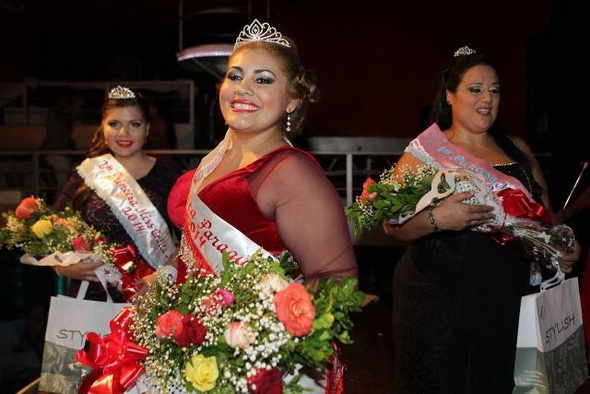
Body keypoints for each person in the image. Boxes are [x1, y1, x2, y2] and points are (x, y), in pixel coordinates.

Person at [138, 19, 358, 393]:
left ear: (293, 98)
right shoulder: (215, 160)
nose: (243, 88)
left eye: (263, 79)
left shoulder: (291, 173)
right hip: (194, 345)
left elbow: (336, 279)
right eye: (235, 76)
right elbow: (192, 251)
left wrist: (264, 339)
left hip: (255, 365)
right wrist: (163, 282)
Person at [382, 46, 581, 393]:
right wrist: (437, 218)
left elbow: (544, 214)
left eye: (495, 89)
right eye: (475, 89)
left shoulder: (516, 147)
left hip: (506, 299)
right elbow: (390, 226)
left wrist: (563, 242)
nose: (487, 98)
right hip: (436, 305)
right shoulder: (425, 154)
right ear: (450, 95)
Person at [52, 85, 183, 302]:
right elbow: (52, 228)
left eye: (135, 124)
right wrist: (62, 267)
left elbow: (190, 237)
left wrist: (161, 278)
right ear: (102, 127)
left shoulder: (168, 173)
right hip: (91, 298)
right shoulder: (86, 173)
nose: (124, 133)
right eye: (114, 124)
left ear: (147, 129)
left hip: (149, 295)